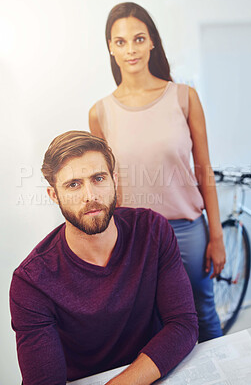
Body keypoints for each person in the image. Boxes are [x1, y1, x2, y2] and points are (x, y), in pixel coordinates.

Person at [10, 130, 198, 385]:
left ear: (114, 180)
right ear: (54, 195)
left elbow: (183, 324)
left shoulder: (153, 230)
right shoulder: (31, 282)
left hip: (155, 372)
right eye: (73, 184)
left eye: (98, 178)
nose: (90, 195)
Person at [88, 2, 226, 343]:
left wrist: (217, 236)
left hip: (187, 231)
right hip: (133, 235)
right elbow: (102, 186)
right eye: (120, 42)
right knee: (151, 326)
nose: (130, 49)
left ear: (152, 42)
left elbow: (204, 171)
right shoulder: (99, 113)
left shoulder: (184, 98)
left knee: (201, 314)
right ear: (110, 47)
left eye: (138, 38)